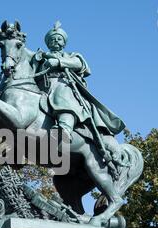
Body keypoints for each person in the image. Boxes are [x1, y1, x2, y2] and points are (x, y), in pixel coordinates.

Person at [37, 21, 128, 178]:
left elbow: (80, 65)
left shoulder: (72, 56)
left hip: (66, 87)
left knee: (62, 93)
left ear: (64, 42)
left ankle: (65, 128)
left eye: (59, 39)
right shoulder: (41, 58)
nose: (55, 42)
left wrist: (58, 62)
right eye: (52, 39)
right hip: (44, 89)